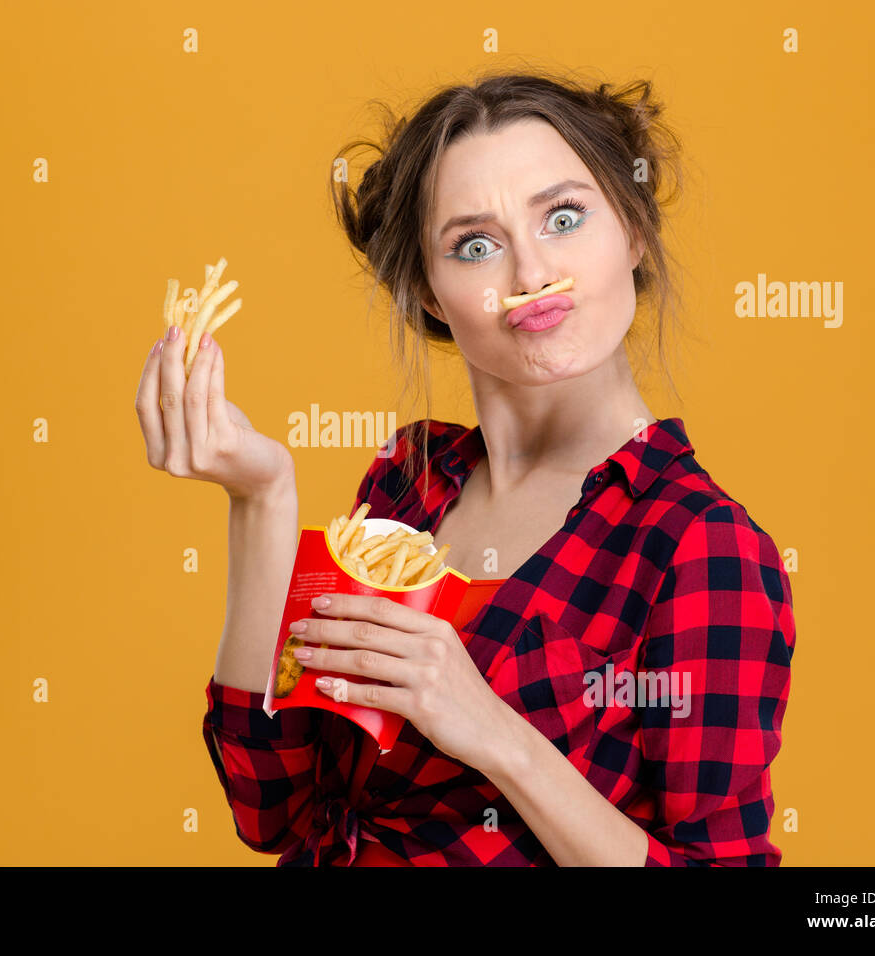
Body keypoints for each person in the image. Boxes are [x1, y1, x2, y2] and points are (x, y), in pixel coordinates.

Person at [135, 69, 795, 865]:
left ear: (635, 232)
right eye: (475, 245)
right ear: (431, 294)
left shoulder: (698, 546)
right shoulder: (408, 483)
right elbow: (274, 810)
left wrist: (494, 734)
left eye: (564, 216)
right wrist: (261, 497)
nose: (528, 273)